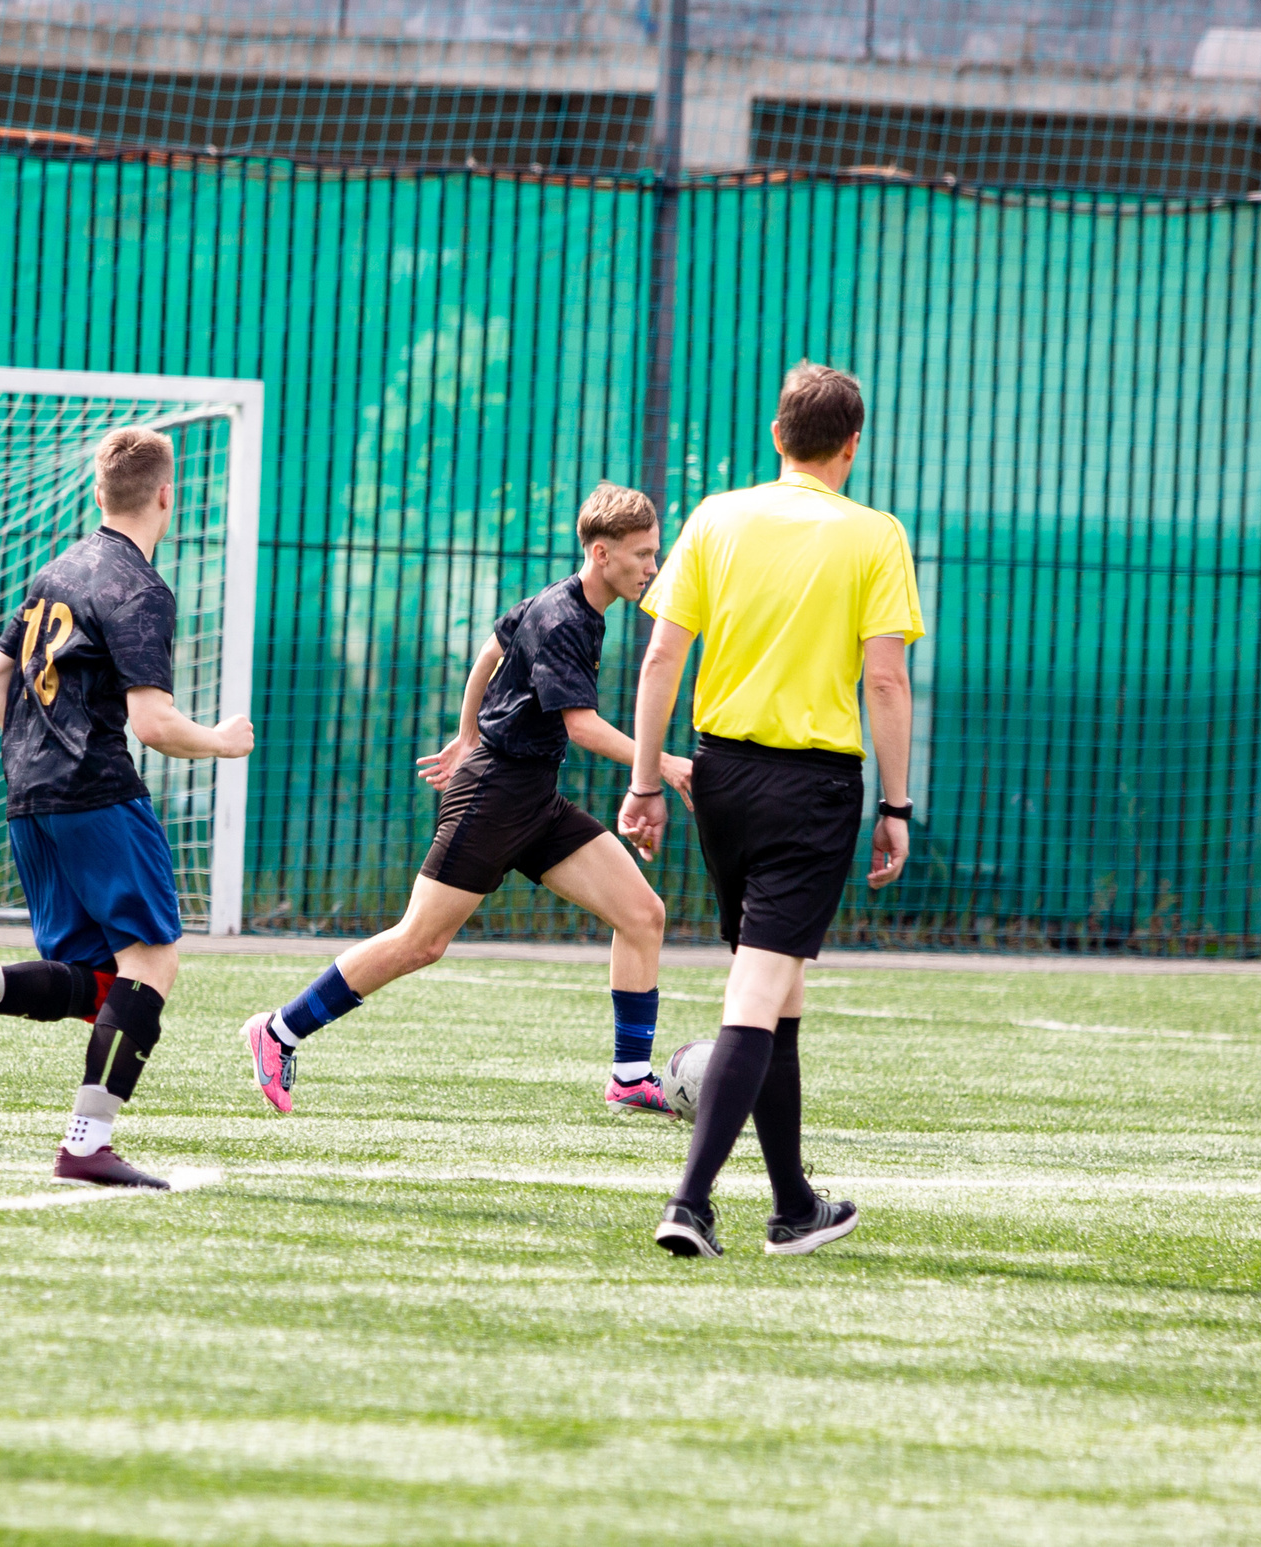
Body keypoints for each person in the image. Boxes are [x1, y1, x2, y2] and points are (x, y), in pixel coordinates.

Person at [0, 427, 254, 1190]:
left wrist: (41, 752)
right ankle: (87, 1144)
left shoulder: (54, 573)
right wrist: (220, 740)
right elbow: (152, 723)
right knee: (152, 963)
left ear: (97, 493)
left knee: (93, 979)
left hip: (31, 799)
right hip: (97, 793)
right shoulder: (139, 587)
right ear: (165, 496)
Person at [238, 482, 680, 1117]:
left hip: (532, 794)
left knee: (643, 914)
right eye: (642, 554)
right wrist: (660, 762)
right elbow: (580, 726)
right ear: (603, 553)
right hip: (495, 794)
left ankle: (630, 1075)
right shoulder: (564, 619)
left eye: (655, 553)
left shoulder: (560, 603)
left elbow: (491, 649)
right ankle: (278, 1031)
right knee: (420, 941)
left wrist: (466, 730)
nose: (652, 567)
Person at [620, 362, 924, 1259]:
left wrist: (644, 782)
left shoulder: (716, 516)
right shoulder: (875, 534)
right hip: (811, 788)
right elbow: (885, 677)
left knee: (779, 988)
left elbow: (660, 661)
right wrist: (896, 805)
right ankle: (690, 1202)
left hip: (719, 779)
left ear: (776, 435)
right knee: (759, 988)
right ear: (853, 445)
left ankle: (794, 1204)